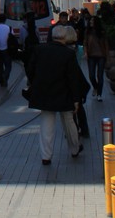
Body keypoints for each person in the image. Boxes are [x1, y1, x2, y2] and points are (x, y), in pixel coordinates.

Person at [24, 25, 90, 165]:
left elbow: (30, 69)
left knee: (46, 123)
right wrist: (76, 99)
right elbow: (73, 78)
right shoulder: (68, 54)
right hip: (64, 93)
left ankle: (46, 156)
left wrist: (35, 82)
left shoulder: (39, 50)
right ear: (64, 37)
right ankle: (74, 148)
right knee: (69, 122)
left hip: (44, 92)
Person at [84, 15, 107, 102]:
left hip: (101, 55)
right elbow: (85, 42)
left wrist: (107, 55)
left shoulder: (102, 32)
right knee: (91, 75)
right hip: (91, 55)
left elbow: (106, 44)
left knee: (100, 76)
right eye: (90, 21)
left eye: (92, 21)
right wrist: (86, 52)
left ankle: (99, 94)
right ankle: (96, 87)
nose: (90, 22)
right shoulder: (88, 31)